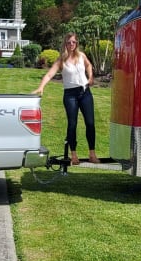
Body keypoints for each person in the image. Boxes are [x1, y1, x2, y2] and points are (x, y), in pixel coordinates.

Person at [33, 33, 99, 165]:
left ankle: (92, 153)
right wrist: (41, 87)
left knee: (90, 123)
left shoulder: (82, 56)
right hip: (70, 95)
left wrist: (90, 77)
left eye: (74, 42)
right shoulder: (61, 61)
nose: (71, 45)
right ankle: (73, 154)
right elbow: (49, 74)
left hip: (85, 92)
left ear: (77, 43)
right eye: (69, 42)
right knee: (72, 124)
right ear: (65, 44)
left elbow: (88, 65)